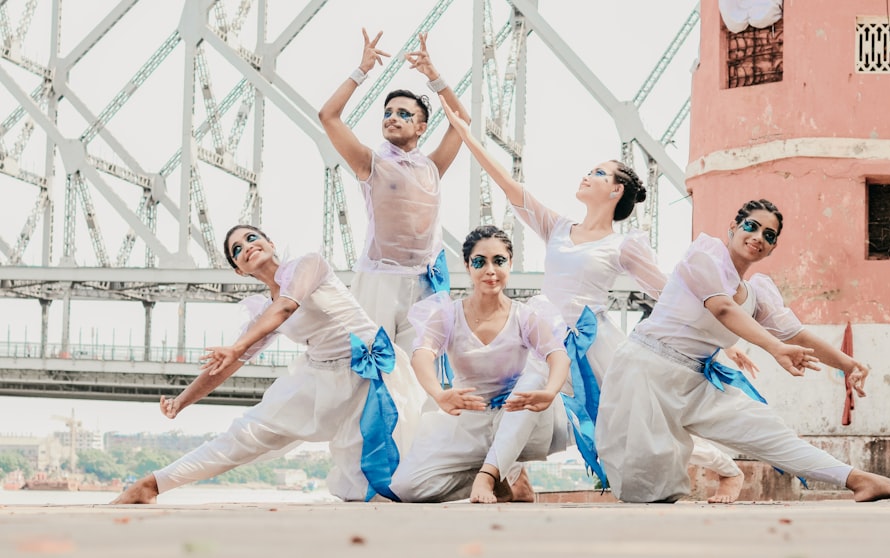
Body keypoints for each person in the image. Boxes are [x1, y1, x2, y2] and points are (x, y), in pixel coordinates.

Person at [439, 99, 752, 503]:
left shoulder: (623, 246)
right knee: (520, 391)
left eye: (599, 173)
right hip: (544, 333)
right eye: (590, 170)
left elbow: (675, 293)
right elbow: (507, 184)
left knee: (629, 421)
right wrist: (466, 135)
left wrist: (731, 340)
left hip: (593, 343)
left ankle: (728, 470)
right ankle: (499, 477)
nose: (588, 176)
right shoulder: (556, 227)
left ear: (616, 190)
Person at [595, 199, 890, 503]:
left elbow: (797, 334)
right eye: (751, 226)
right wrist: (775, 348)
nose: (758, 237)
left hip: (697, 381)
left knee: (769, 431)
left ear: (773, 247)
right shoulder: (704, 255)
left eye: (769, 235)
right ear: (733, 226)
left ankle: (860, 480)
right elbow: (721, 308)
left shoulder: (757, 293)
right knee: (648, 488)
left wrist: (850, 365)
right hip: (647, 371)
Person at [111, 225, 425, 504]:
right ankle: (151, 485)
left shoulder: (308, 264)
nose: (247, 246)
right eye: (237, 250)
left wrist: (236, 348)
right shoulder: (263, 309)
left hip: (370, 373)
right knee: (247, 433)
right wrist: (182, 401)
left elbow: (288, 307)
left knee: (387, 485)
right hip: (322, 377)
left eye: (251, 238)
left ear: (270, 243)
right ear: (239, 269)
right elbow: (228, 365)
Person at [390, 226, 571, 504]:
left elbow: (557, 355)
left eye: (499, 261)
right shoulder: (448, 315)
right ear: (467, 266)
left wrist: (550, 391)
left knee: (534, 378)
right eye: (479, 262)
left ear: (510, 264)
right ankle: (506, 475)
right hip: (469, 422)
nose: (490, 270)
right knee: (408, 488)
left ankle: (487, 477)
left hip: (517, 418)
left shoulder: (525, 316)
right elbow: (422, 354)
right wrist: (439, 394)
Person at [318, 29, 470, 355]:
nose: (392, 118)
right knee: (371, 367)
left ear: (421, 127)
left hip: (424, 283)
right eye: (387, 113)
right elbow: (328, 116)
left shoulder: (432, 167)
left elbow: (462, 120)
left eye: (404, 114)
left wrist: (434, 76)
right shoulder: (369, 163)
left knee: (418, 371)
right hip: (379, 281)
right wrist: (361, 71)